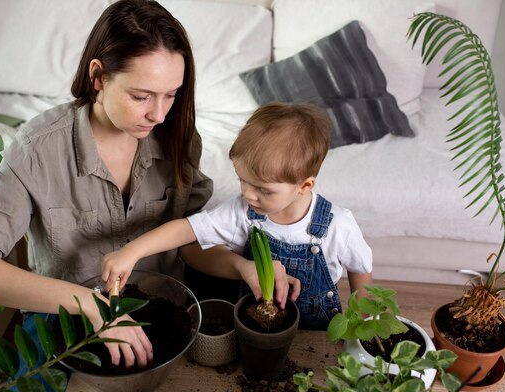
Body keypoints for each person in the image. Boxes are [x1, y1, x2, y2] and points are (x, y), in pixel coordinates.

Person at [0, 0, 217, 392]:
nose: (159, 114)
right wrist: (90, 305)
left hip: (164, 311)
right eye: (142, 95)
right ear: (98, 77)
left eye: (171, 95)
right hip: (64, 317)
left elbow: (192, 234)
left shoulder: (178, 134)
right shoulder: (36, 150)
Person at [101, 102, 374, 330]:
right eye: (242, 181)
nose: (248, 195)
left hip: (314, 333)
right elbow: (186, 230)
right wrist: (133, 251)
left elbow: (360, 267)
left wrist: (363, 323)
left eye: (263, 189)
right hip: (254, 328)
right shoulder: (243, 212)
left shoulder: (337, 225)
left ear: (304, 186)